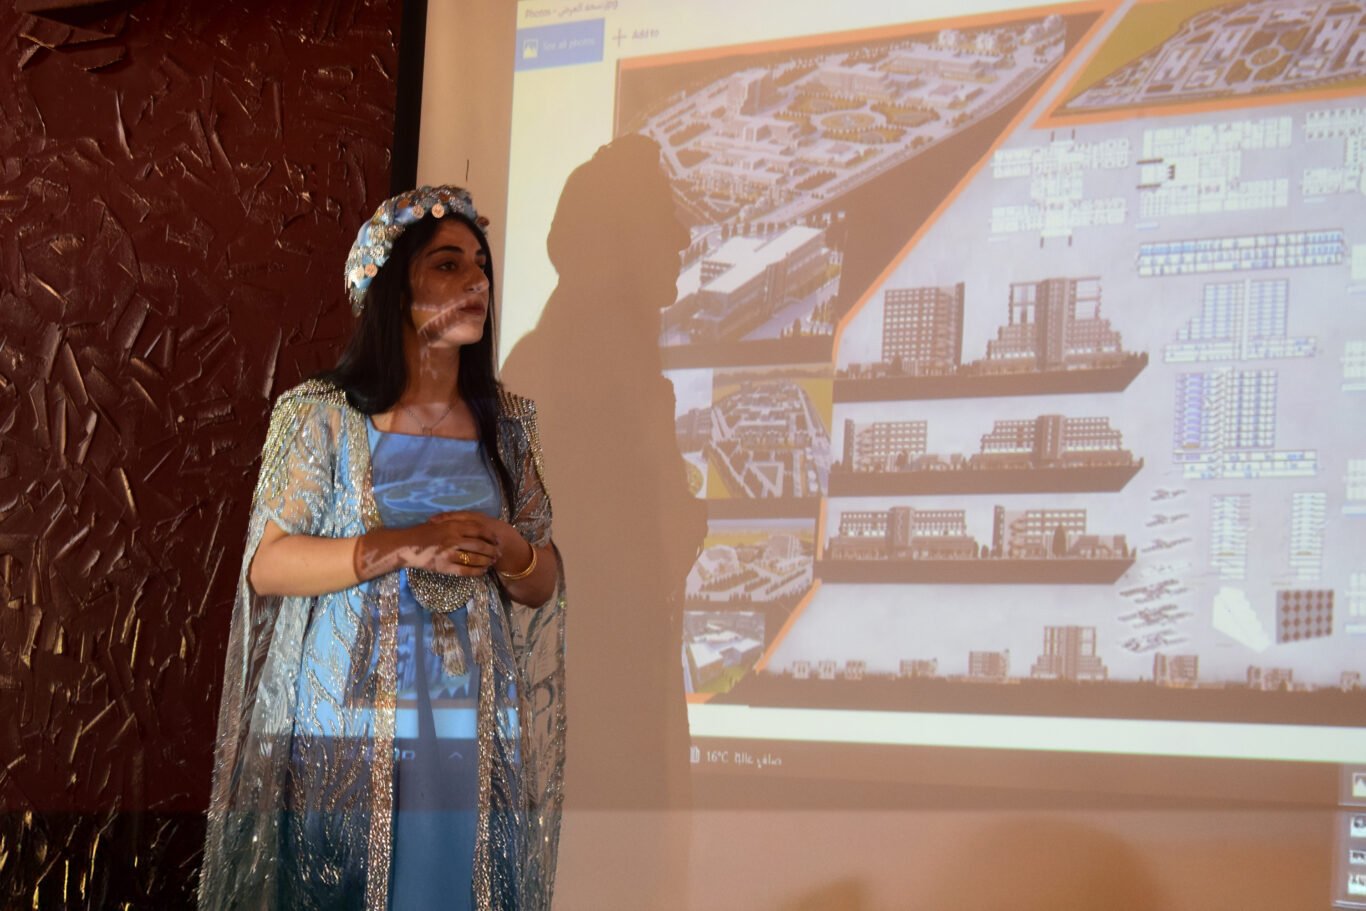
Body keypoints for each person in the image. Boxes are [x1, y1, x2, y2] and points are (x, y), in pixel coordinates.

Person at [198, 186, 565, 911]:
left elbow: (542, 577)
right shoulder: (322, 413)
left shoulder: (508, 424)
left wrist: (509, 547)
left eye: (480, 268)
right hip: (354, 718)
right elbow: (268, 565)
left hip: (471, 720)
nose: (476, 284)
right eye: (448, 266)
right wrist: (402, 544)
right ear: (395, 289)